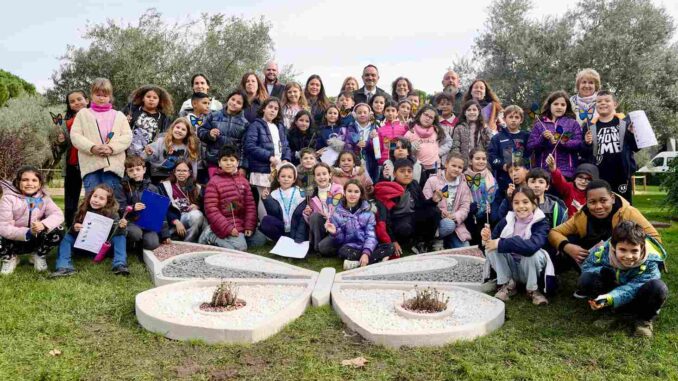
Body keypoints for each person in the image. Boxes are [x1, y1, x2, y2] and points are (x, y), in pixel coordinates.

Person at [548, 180, 660, 276]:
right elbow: (554, 232)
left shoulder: (628, 213)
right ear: (586, 201)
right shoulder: (581, 216)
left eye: (603, 200)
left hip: (625, 260)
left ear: (612, 198)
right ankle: (588, 275)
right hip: (596, 261)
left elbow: (655, 238)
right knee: (571, 239)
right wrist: (567, 247)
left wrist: (626, 250)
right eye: (592, 202)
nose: (598, 207)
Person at [578, 221, 668, 338]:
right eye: (623, 250)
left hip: (636, 297)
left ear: (642, 247)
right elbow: (587, 267)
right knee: (586, 279)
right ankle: (608, 312)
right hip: (611, 293)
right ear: (614, 247)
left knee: (658, 288)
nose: (629, 256)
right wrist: (602, 271)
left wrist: (610, 298)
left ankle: (643, 320)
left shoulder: (651, 261)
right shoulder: (603, 251)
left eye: (634, 250)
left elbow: (634, 287)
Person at [481, 186, 552, 305]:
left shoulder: (541, 222)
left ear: (534, 204)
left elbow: (531, 247)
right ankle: (508, 285)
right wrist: (486, 239)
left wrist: (500, 243)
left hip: (529, 269)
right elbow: (490, 245)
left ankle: (532, 289)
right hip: (510, 269)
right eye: (516, 203)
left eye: (525, 202)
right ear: (512, 205)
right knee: (491, 249)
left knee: (532, 254)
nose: (521, 206)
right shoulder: (507, 220)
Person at [70, 78, 131, 203]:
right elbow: (75, 136)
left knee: (110, 200)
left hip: (113, 166)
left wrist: (111, 148)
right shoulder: (83, 114)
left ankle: (113, 223)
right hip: (91, 165)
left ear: (110, 96)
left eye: (105, 95)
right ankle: (88, 223)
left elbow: (127, 137)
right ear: (91, 95)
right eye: (98, 95)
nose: (101, 98)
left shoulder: (119, 115)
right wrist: (92, 147)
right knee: (91, 199)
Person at [50, 184, 128, 277]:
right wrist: (75, 228)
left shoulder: (113, 215)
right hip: (83, 246)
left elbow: (116, 234)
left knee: (120, 236)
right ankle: (64, 266)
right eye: (94, 196)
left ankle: (119, 264)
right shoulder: (83, 210)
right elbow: (72, 231)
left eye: (101, 198)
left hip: (102, 249)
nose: (96, 200)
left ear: (108, 202)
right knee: (67, 237)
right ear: (90, 196)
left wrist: (121, 227)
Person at [199, 145, 266, 250]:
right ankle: (210, 236)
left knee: (260, 240)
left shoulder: (243, 181)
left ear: (237, 162)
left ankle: (238, 238)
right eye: (225, 160)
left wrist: (249, 225)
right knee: (240, 248)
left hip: (241, 223)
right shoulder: (213, 182)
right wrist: (228, 228)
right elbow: (211, 210)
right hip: (223, 224)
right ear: (219, 163)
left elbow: (250, 206)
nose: (229, 163)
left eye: (232, 160)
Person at [0, 166, 64, 274]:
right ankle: (9, 257)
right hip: (13, 240)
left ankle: (38, 255)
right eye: (25, 180)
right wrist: (27, 232)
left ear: (39, 184)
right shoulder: (8, 198)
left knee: (59, 229)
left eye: (34, 180)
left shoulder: (44, 198)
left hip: (36, 239)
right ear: (18, 182)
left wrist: (44, 224)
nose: (30, 183)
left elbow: (57, 214)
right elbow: (3, 226)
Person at [321, 180, 393, 270]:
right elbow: (341, 240)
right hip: (350, 247)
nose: (352, 194)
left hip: (366, 245)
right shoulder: (336, 213)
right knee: (342, 251)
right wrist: (335, 232)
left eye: (356, 192)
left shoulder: (368, 213)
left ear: (361, 194)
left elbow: (370, 236)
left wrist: (366, 253)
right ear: (344, 192)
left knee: (390, 247)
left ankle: (357, 263)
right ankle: (375, 261)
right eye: (349, 191)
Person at [581, 90, 638, 203]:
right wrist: (587, 143)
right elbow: (584, 153)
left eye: (607, 100)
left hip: (621, 175)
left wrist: (631, 134)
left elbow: (635, 148)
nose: (603, 103)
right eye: (599, 101)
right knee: (600, 206)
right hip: (598, 175)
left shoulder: (624, 123)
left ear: (615, 104)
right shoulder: (589, 126)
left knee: (623, 207)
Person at [374, 159, 441, 255]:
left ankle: (424, 242)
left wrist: (433, 201)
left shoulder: (414, 184)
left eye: (409, 171)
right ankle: (408, 243)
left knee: (435, 211)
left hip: (413, 217)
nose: (406, 174)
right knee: (405, 228)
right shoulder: (389, 189)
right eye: (402, 171)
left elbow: (422, 205)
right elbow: (386, 217)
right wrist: (393, 241)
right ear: (394, 174)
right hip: (398, 221)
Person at [244, 97, 292, 206]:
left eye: (276, 108)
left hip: (278, 168)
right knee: (264, 198)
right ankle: (264, 222)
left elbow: (286, 146)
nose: (273, 110)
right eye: (270, 107)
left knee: (276, 198)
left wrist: (285, 159)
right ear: (263, 109)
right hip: (262, 168)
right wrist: (269, 157)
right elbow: (250, 146)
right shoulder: (256, 125)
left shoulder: (279, 127)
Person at [120, 155, 170, 257]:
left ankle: (139, 243)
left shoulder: (153, 188)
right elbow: (119, 207)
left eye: (138, 169)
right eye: (131, 170)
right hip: (130, 222)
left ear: (144, 170)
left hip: (148, 224)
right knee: (135, 233)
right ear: (127, 172)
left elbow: (160, 212)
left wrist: (165, 235)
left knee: (153, 244)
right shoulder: (123, 187)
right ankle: (130, 244)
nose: (135, 173)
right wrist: (133, 208)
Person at [527, 91, 583, 180]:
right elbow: (530, 147)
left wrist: (561, 142)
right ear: (549, 106)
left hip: (566, 173)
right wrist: (543, 139)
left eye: (563, 105)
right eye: (556, 104)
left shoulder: (572, 123)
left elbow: (579, 144)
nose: (559, 107)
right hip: (544, 173)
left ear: (567, 107)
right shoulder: (539, 124)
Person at [423, 153, 472, 249]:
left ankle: (448, 241)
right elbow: (426, 201)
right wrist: (442, 213)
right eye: (453, 165)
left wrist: (455, 216)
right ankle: (436, 240)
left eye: (460, 167)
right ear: (446, 164)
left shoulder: (464, 185)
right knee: (448, 225)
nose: (456, 169)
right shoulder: (432, 181)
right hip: (437, 222)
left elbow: (465, 206)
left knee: (465, 248)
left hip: (456, 224)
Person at [55, 90, 89, 226]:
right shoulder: (66, 122)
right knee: (70, 200)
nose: (76, 103)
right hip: (72, 165)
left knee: (92, 197)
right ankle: (70, 225)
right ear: (69, 105)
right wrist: (61, 141)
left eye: (79, 99)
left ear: (87, 100)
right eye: (72, 101)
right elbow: (62, 148)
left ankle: (89, 226)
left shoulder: (95, 117)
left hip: (89, 164)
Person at [199, 89, 250, 178]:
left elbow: (244, 147)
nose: (234, 103)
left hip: (232, 164)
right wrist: (209, 134)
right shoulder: (213, 116)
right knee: (214, 187)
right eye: (233, 99)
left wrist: (242, 166)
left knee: (228, 190)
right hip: (214, 161)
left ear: (242, 106)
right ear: (228, 99)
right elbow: (200, 131)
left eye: (238, 102)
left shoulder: (244, 124)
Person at [488, 105, 530, 208]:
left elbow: (529, 156)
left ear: (521, 120)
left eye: (517, 117)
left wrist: (522, 169)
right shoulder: (497, 138)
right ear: (505, 119)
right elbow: (491, 156)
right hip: (503, 180)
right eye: (510, 117)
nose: (513, 120)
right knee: (504, 208)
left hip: (522, 180)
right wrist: (504, 165)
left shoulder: (526, 136)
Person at [259, 163, 308, 243]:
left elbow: (302, 215)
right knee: (266, 220)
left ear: (294, 179)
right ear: (278, 178)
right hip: (282, 226)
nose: (286, 179)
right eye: (283, 176)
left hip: (296, 226)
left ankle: (297, 241)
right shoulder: (274, 193)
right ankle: (282, 241)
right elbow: (273, 212)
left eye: (289, 177)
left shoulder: (300, 192)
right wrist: (266, 199)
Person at [405, 105, 452, 185]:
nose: (427, 118)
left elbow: (449, 142)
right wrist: (411, 149)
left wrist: (438, 152)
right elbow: (404, 150)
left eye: (431, 117)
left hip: (435, 168)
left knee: (433, 191)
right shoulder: (410, 132)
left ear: (434, 120)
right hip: (417, 168)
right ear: (420, 114)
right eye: (426, 115)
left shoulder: (437, 130)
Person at [159, 160, 204, 243]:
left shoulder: (197, 187)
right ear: (174, 172)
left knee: (197, 215)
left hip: (189, 217)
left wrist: (198, 206)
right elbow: (163, 207)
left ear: (190, 172)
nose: (181, 173)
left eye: (184, 171)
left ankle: (188, 241)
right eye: (178, 170)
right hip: (173, 218)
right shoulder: (165, 186)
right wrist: (175, 221)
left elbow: (204, 204)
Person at [304, 162, 344, 255]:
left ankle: (323, 247)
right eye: (318, 175)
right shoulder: (312, 194)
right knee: (315, 216)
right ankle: (317, 246)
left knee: (324, 247)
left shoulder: (338, 189)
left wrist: (329, 217)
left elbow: (341, 210)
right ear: (314, 178)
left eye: (324, 174)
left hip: (336, 226)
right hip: (322, 228)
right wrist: (307, 213)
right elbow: (311, 219)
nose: (322, 177)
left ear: (330, 175)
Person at [144, 117, 200, 183]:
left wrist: (194, 179)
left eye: (183, 129)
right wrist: (148, 153)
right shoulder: (161, 141)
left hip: (177, 177)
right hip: (158, 174)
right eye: (177, 127)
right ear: (173, 128)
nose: (179, 130)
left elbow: (193, 164)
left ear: (187, 133)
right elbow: (148, 158)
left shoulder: (188, 147)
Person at [124, 85, 173, 157]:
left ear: (159, 101)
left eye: (155, 97)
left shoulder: (164, 119)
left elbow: (164, 137)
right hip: (128, 154)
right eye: (148, 96)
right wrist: (125, 121)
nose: (151, 99)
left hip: (150, 156)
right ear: (143, 98)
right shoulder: (131, 111)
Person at [463, 148, 497, 245]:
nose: (481, 161)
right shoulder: (464, 177)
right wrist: (469, 207)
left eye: (483, 159)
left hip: (486, 216)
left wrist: (492, 207)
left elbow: (494, 195)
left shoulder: (490, 177)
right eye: (477, 159)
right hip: (470, 216)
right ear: (470, 161)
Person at [345, 103, 380, 182]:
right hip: (356, 159)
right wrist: (356, 144)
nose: (362, 115)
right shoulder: (351, 127)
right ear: (355, 115)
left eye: (365, 112)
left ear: (369, 114)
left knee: (371, 180)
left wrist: (367, 143)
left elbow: (377, 145)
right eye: (359, 113)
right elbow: (348, 142)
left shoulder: (374, 127)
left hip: (371, 159)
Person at [376, 100, 408, 167]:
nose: (390, 113)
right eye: (388, 110)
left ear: (397, 113)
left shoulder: (404, 128)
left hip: (401, 161)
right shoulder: (380, 130)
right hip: (385, 161)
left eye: (393, 111)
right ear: (383, 112)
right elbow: (378, 147)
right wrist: (380, 160)